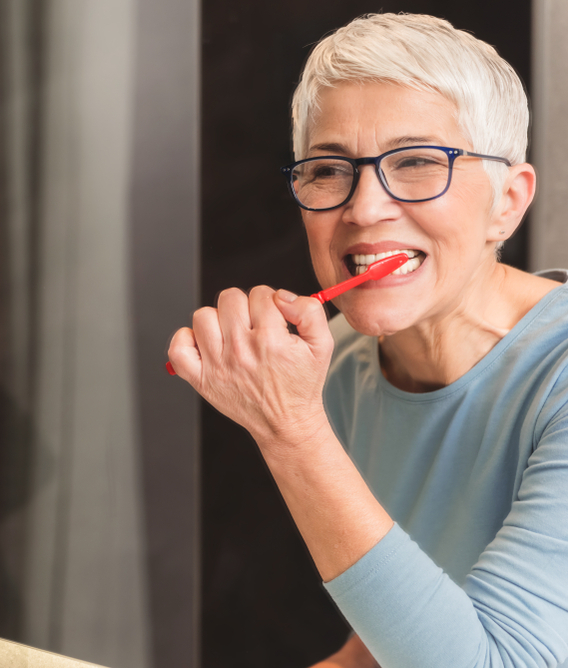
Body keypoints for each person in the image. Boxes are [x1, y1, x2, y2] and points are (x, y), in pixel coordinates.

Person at [169, 13, 568, 668]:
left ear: (509, 201)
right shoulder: (344, 367)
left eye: (416, 162)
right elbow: (386, 647)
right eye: (328, 170)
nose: (363, 209)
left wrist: (291, 432)